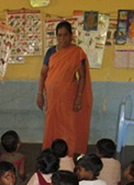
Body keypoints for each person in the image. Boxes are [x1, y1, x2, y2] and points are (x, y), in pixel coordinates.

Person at [36, 21, 93, 156]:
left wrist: (79, 97)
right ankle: (51, 152)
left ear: (71, 35)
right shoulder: (51, 52)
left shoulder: (77, 53)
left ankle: (69, 154)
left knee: (69, 126)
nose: (62, 39)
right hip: (52, 96)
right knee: (52, 124)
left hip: (69, 96)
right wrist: (39, 93)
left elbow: (82, 77)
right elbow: (43, 73)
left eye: (65, 35)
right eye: (59, 36)